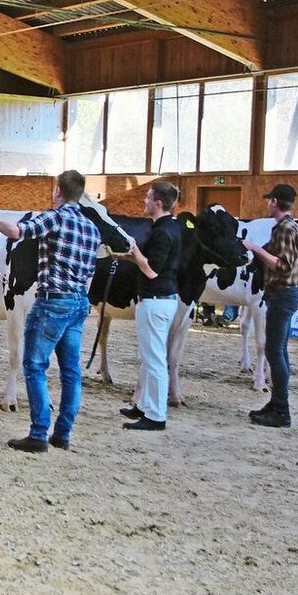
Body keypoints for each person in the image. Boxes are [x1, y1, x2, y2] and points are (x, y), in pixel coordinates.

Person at [0, 169, 100, 453]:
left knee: (35, 365)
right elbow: (90, 272)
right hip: (78, 302)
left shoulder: (56, 216)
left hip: (53, 300)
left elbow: (17, 231)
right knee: (71, 371)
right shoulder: (91, 228)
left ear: (58, 192)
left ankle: (39, 433)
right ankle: (62, 433)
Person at [243, 183, 298, 428]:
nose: (267, 203)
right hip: (287, 294)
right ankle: (277, 402)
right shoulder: (294, 227)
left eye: (270, 200)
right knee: (280, 350)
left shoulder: (285, 229)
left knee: (274, 351)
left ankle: (281, 409)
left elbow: (282, 265)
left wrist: (254, 248)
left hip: (283, 293)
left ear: (274, 202)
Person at [120, 181, 182, 432]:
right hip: (162, 300)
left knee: (155, 360)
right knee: (149, 357)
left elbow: (152, 270)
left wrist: (133, 250)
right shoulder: (172, 227)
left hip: (156, 299)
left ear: (158, 203)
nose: (144, 201)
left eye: (147, 197)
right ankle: (144, 406)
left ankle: (156, 415)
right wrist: (122, 256)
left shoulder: (161, 233)